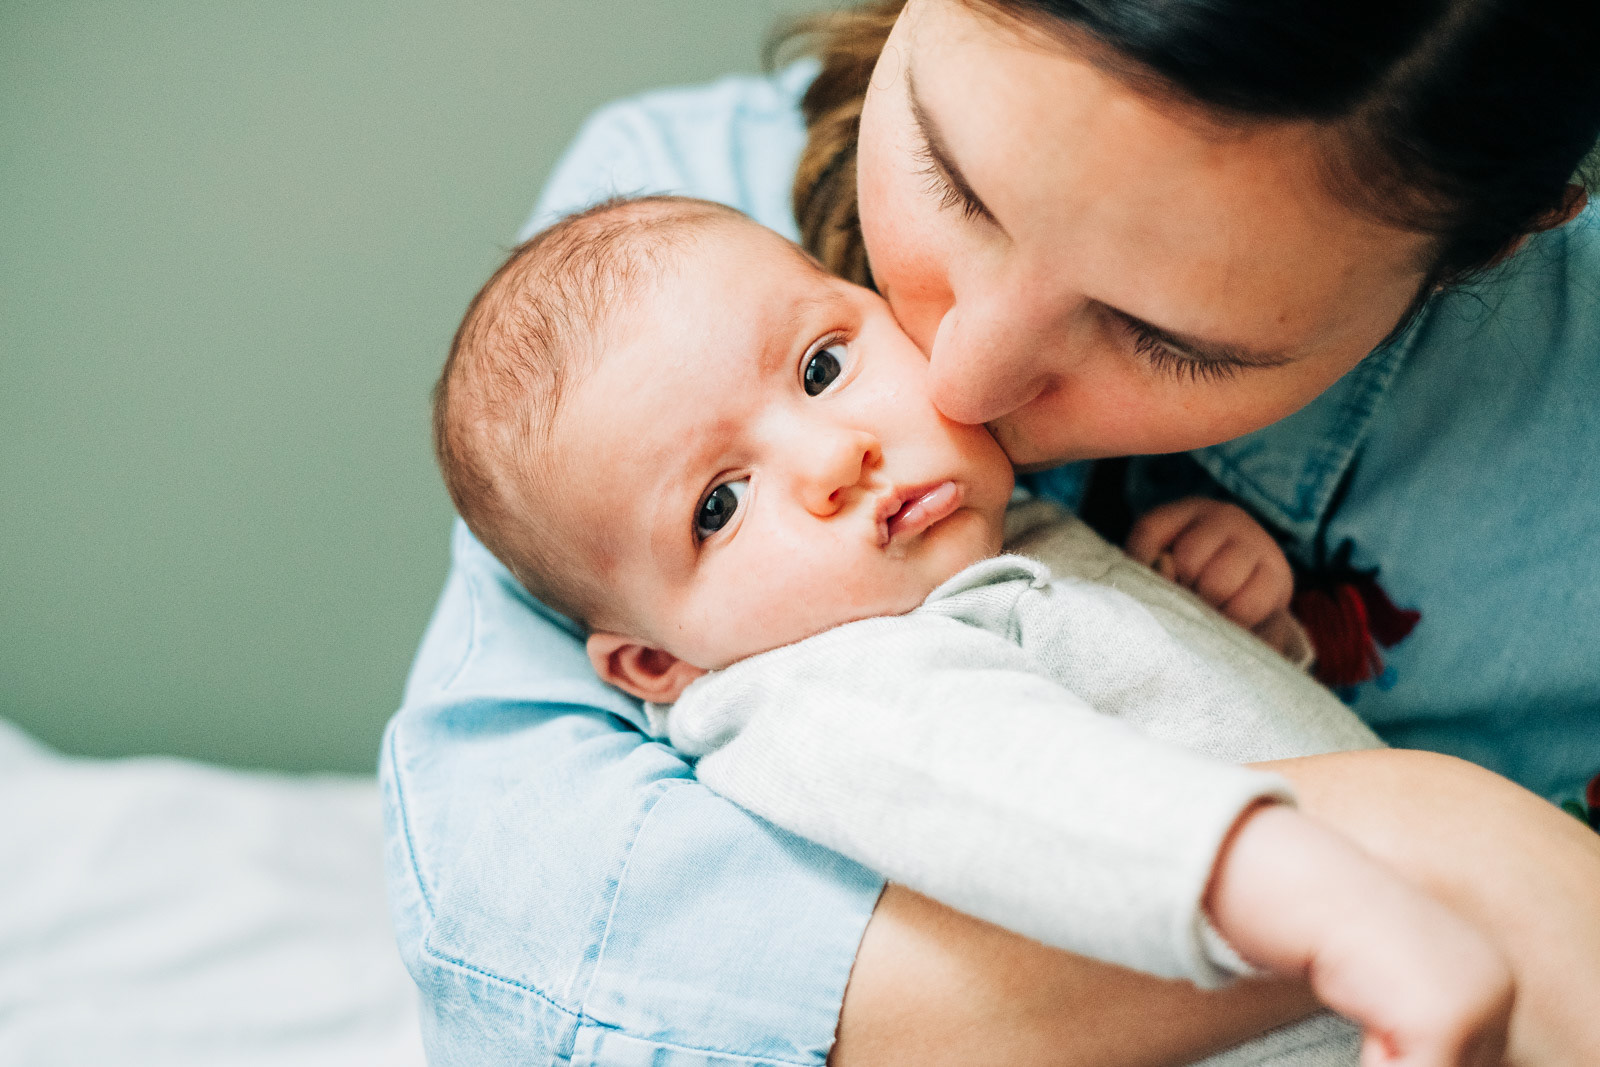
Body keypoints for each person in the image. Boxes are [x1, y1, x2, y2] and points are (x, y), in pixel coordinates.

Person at [381, 1, 1600, 1063]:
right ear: (652, 659)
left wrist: (1238, 626)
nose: (958, 380)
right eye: (952, 180)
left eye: (1165, 337)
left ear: (1494, 243)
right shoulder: (815, 669)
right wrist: (1407, 850)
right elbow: (527, 951)